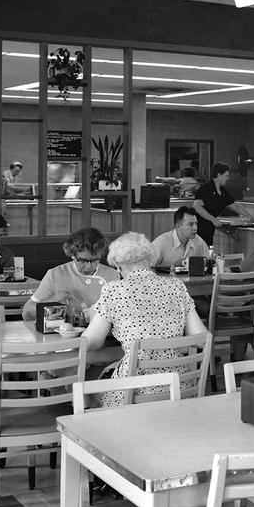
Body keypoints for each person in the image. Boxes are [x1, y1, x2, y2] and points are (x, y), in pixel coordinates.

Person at [80, 232, 207, 406]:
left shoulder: (114, 290)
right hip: (180, 388)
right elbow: (201, 339)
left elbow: (92, 341)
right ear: (150, 261)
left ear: (118, 267)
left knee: (89, 389)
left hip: (132, 394)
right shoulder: (176, 286)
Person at [23, 227, 119, 324]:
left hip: (102, 336)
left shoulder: (112, 275)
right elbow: (27, 313)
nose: (89, 266)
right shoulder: (55, 275)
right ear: (72, 256)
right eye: (82, 260)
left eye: (94, 260)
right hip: (62, 335)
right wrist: (52, 302)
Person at [192, 162, 235, 246]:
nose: (228, 178)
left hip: (211, 228)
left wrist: (250, 217)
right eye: (226, 176)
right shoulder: (205, 189)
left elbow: (234, 205)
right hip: (201, 227)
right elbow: (197, 206)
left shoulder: (222, 191)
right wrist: (213, 219)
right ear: (219, 175)